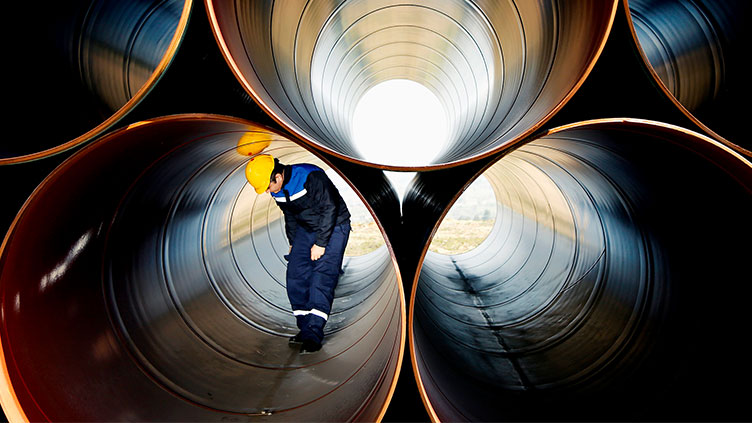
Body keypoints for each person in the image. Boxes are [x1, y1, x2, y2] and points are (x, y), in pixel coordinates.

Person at [245, 154, 351, 353]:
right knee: (295, 273)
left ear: (277, 176)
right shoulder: (278, 191)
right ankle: (304, 326)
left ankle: (313, 332)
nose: (267, 192)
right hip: (306, 229)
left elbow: (330, 208)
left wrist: (320, 244)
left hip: (334, 225)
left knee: (322, 276)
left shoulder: (310, 176)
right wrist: (293, 243)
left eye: (268, 187)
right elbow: (291, 216)